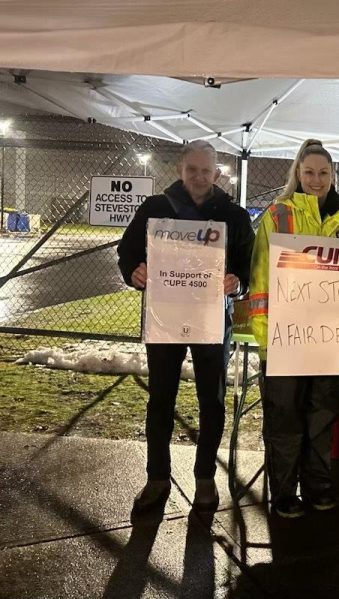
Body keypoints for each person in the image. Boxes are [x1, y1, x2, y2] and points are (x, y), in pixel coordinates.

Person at [117, 140, 255, 518]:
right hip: (165, 319)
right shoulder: (155, 208)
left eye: (206, 171)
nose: (198, 177)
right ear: (180, 170)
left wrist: (237, 281)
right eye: (192, 169)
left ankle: (205, 478)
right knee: (161, 399)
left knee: (212, 401)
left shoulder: (233, 216)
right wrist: (134, 271)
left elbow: (247, 264)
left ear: (217, 173)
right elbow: (127, 250)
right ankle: (157, 477)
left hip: (212, 321)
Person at [249, 139, 339, 518]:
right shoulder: (278, 215)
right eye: (309, 171)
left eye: (323, 173)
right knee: (285, 419)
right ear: (297, 173)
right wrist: (267, 337)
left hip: (329, 340)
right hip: (286, 337)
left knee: (322, 415)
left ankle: (318, 486)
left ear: (333, 176)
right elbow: (261, 276)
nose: (316, 179)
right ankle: (283, 493)